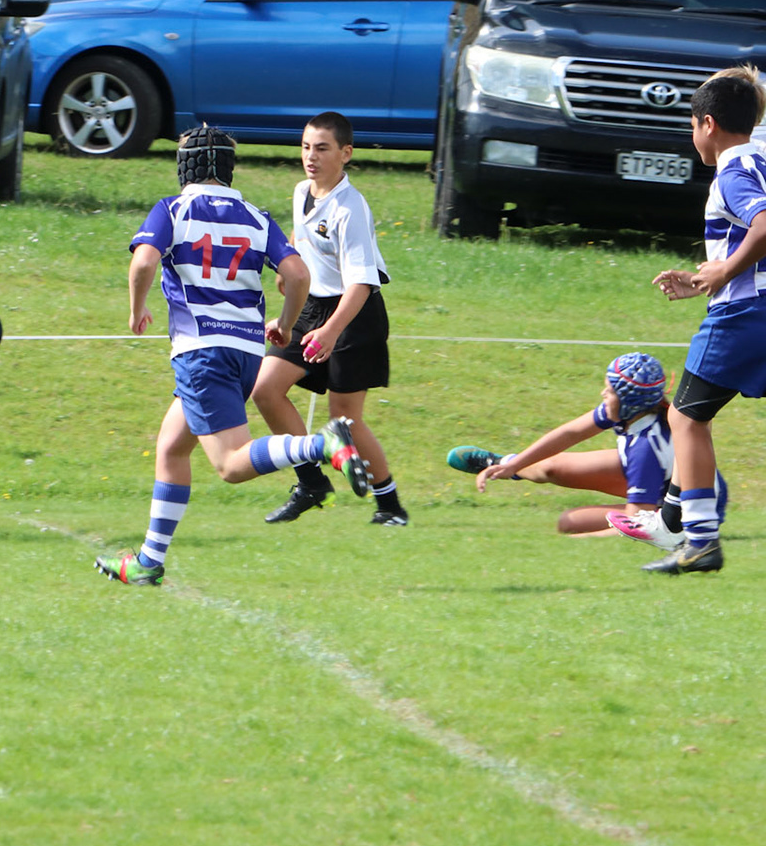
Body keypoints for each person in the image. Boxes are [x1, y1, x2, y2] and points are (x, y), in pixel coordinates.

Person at [95, 127, 371, 587]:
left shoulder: (173, 209)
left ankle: (320, 445)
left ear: (185, 166)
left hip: (202, 352)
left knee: (230, 465)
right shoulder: (256, 217)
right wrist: (286, 325)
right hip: (246, 354)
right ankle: (148, 560)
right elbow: (297, 274)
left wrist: (136, 308)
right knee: (171, 446)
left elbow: (143, 262)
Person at [249, 112, 408, 526]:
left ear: (346, 153)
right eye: (306, 147)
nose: (310, 157)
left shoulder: (350, 208)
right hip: (312, 308)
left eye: (322, 148)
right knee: (265, 389)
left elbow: (361, 283)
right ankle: (311, 483)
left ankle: (390, 507)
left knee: (344, 420)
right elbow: (301, 236)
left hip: (354, 315)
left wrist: (332, 331)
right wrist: (288, 270)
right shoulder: (302, 190)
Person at [641, 66, 766, 574]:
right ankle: (680, 526)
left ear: (707, 124)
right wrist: (704, 278)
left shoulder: (733, 171)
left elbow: (764, 225)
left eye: (692, 125)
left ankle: (698, 541)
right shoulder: (762, 158)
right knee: (691, 415)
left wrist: (725, 273)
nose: (692, 136)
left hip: (744, 317)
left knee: (686, 418)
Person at [445, 352, 722, 537]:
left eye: (609, 391)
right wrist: (514, 464)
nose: (603, 394)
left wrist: (578, 543)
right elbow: (569, 433)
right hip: (664, 481)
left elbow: (642, 525)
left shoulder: (644, 450)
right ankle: (499, 464)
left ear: (629, 402)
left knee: (569, 523)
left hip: (681, 507)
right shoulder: (633, 412)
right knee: (550, 467)